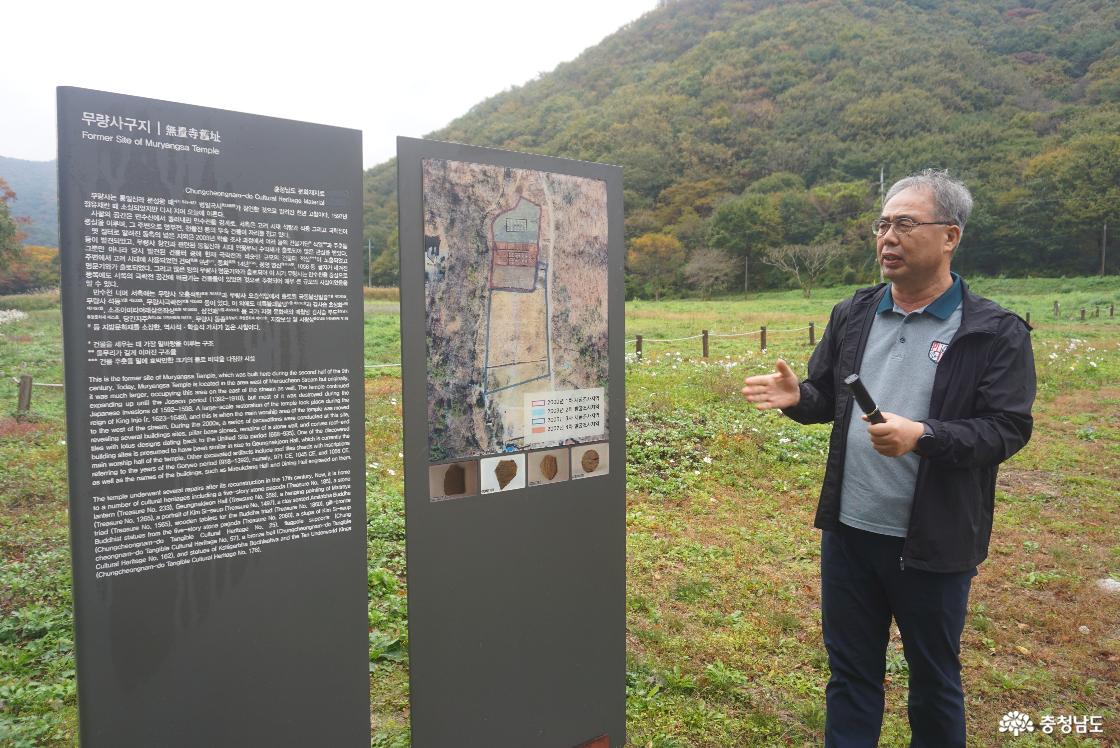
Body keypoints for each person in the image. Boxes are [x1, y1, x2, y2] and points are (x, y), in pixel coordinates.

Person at [741, 169, 1035, 747]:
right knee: (850, 676)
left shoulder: (993, 331)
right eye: (882, 225)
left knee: (933, 679)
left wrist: (922, 434)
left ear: (949, 236)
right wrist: (799, 398)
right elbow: (827, 396)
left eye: (905, 223)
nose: (887, 237)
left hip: (932, 541)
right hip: (850, 533)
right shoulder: (855, 312)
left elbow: (1006, 429)